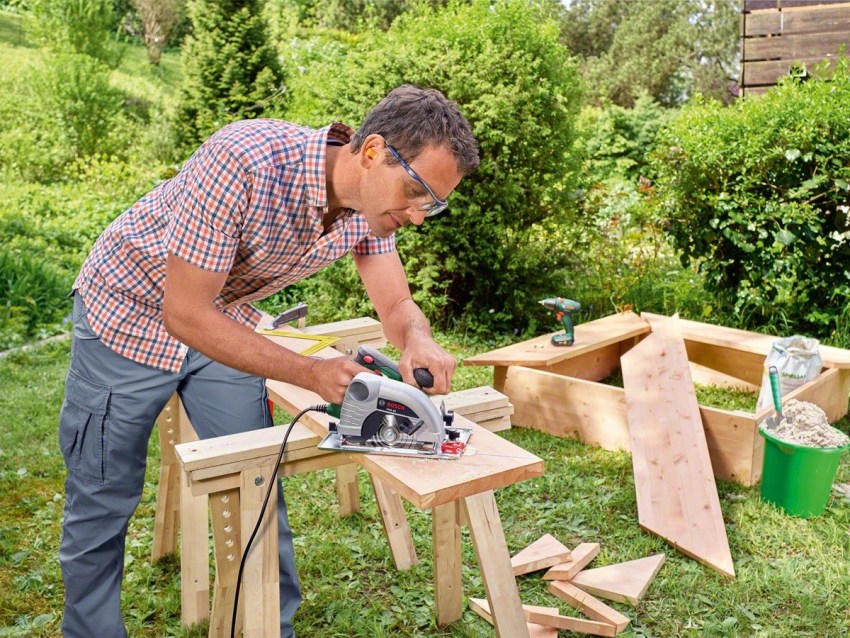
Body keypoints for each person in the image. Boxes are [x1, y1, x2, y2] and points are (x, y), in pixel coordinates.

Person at [58, 84, 480, 638]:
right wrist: (307, 372)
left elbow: (397, 303)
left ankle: (266, 627)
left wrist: (417, 339)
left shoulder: (368, 207)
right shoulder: (245, 160)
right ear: (373, 152)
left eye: (433, 203)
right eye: (417, 191)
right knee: (104, 490)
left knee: (254, 477)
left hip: (226, 317)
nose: (419, 215)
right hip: (129, 311)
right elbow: (184, 312)